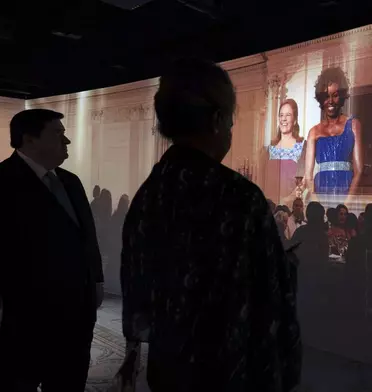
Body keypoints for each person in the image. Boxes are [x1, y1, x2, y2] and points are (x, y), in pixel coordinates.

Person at [120, 58, 301, 392]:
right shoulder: (238, 197)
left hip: (168, 370)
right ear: (217, 120)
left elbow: (137, 296)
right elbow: (271, 303)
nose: (231, 130)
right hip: (229, 373)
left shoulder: (149, 194)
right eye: (231, 121)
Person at [0, 109, 104, 391]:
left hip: (76, 318)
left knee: (69, 382)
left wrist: (96, 279)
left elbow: (87, 237)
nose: (67, 141)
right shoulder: (4, 182)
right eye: (58, 133)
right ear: (29, 140)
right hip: (26, 322)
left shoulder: (70, 181)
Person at [303, 67, 363, 197]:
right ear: (320, 98)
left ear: (341, 96)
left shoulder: (353, 125)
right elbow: (308, 175)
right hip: (320, 191)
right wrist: (316, 203)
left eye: (335, 95)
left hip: (346, 189)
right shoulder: (314, 131)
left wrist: (346, 205)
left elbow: (358, 172)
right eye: (326, 96)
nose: (330, 101)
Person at [265, 99, 305, 202]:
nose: (284, 119)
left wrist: (288, 200)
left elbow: (304, 180)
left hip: (292, 203)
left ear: (295, 120)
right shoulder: (270, 148)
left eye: (288, 115)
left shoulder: (301, 146)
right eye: (281, 115)